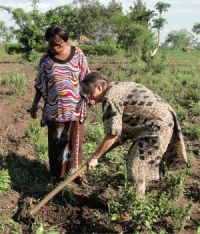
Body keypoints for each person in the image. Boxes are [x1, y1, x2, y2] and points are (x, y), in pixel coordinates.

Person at [79, 71, 188, 196]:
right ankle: (136, 201)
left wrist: (95, 157)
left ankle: (134, 206)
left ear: (99, 87)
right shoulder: (118, 86)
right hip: (161, 120)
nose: (89, 99)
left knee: (136, 164)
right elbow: (128, 111)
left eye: (90, 94)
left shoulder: (110, 97)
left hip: (156, 127)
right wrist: (123, 133)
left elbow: (112, 134)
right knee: (137, 164)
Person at [30, 25, 90, 185]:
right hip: (55, 110)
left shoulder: (78, 55)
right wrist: (35, 104)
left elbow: (85, 78)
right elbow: (40, 84)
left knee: (74, 143)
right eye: (51, 45)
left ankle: (76, 175)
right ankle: (58, 176)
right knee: (57, 143)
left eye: (59, 45)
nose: (55, 48)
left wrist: (89, 96)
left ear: (66, 41)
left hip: (76, 109)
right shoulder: (45, 60)